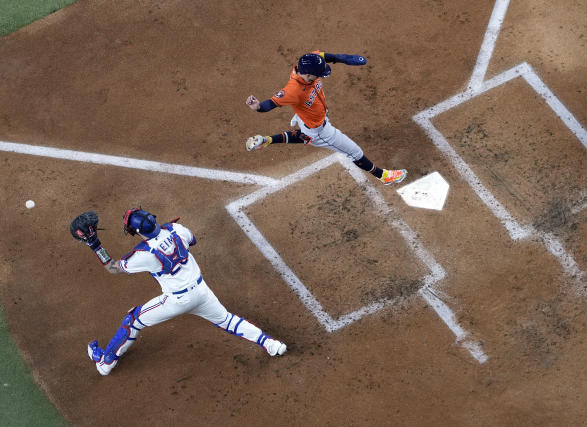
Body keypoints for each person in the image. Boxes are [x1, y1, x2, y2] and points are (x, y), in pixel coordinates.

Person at [81, 208, 286, 376]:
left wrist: (95, 244)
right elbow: (191, 240)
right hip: (202, 292)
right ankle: (270, 343)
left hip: (177, 301)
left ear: (135, 232)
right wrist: (168, 236)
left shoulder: (143, 255)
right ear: (152, 218)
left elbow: (112, 268)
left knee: (133, 319)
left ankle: (105, 363)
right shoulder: (177, 229)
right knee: (227, 320)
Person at [245, 51, 407, 185]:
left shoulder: (311, 59)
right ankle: (383, 176)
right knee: (355, 152)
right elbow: (271, 103)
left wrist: (346, 59)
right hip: (320, 131)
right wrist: (258, 107)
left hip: (308, 118)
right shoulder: (293, 91)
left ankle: (267, 140)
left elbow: (328, 56)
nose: (320, 77)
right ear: (308, 75)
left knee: (304, 134)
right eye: (318, 75)